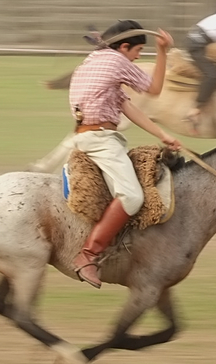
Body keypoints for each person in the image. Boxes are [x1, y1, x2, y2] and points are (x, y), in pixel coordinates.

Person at [60, 19, 181, 288]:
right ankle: (87, 256)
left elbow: (129, 108)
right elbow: (154, 89)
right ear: (124, 47)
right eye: (138, 52)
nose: (138, 58)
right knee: (133, 196)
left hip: (91, 136)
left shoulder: (94, 61)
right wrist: (163, 51)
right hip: (102, 141)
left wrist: (162, 135)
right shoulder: (116, 62)